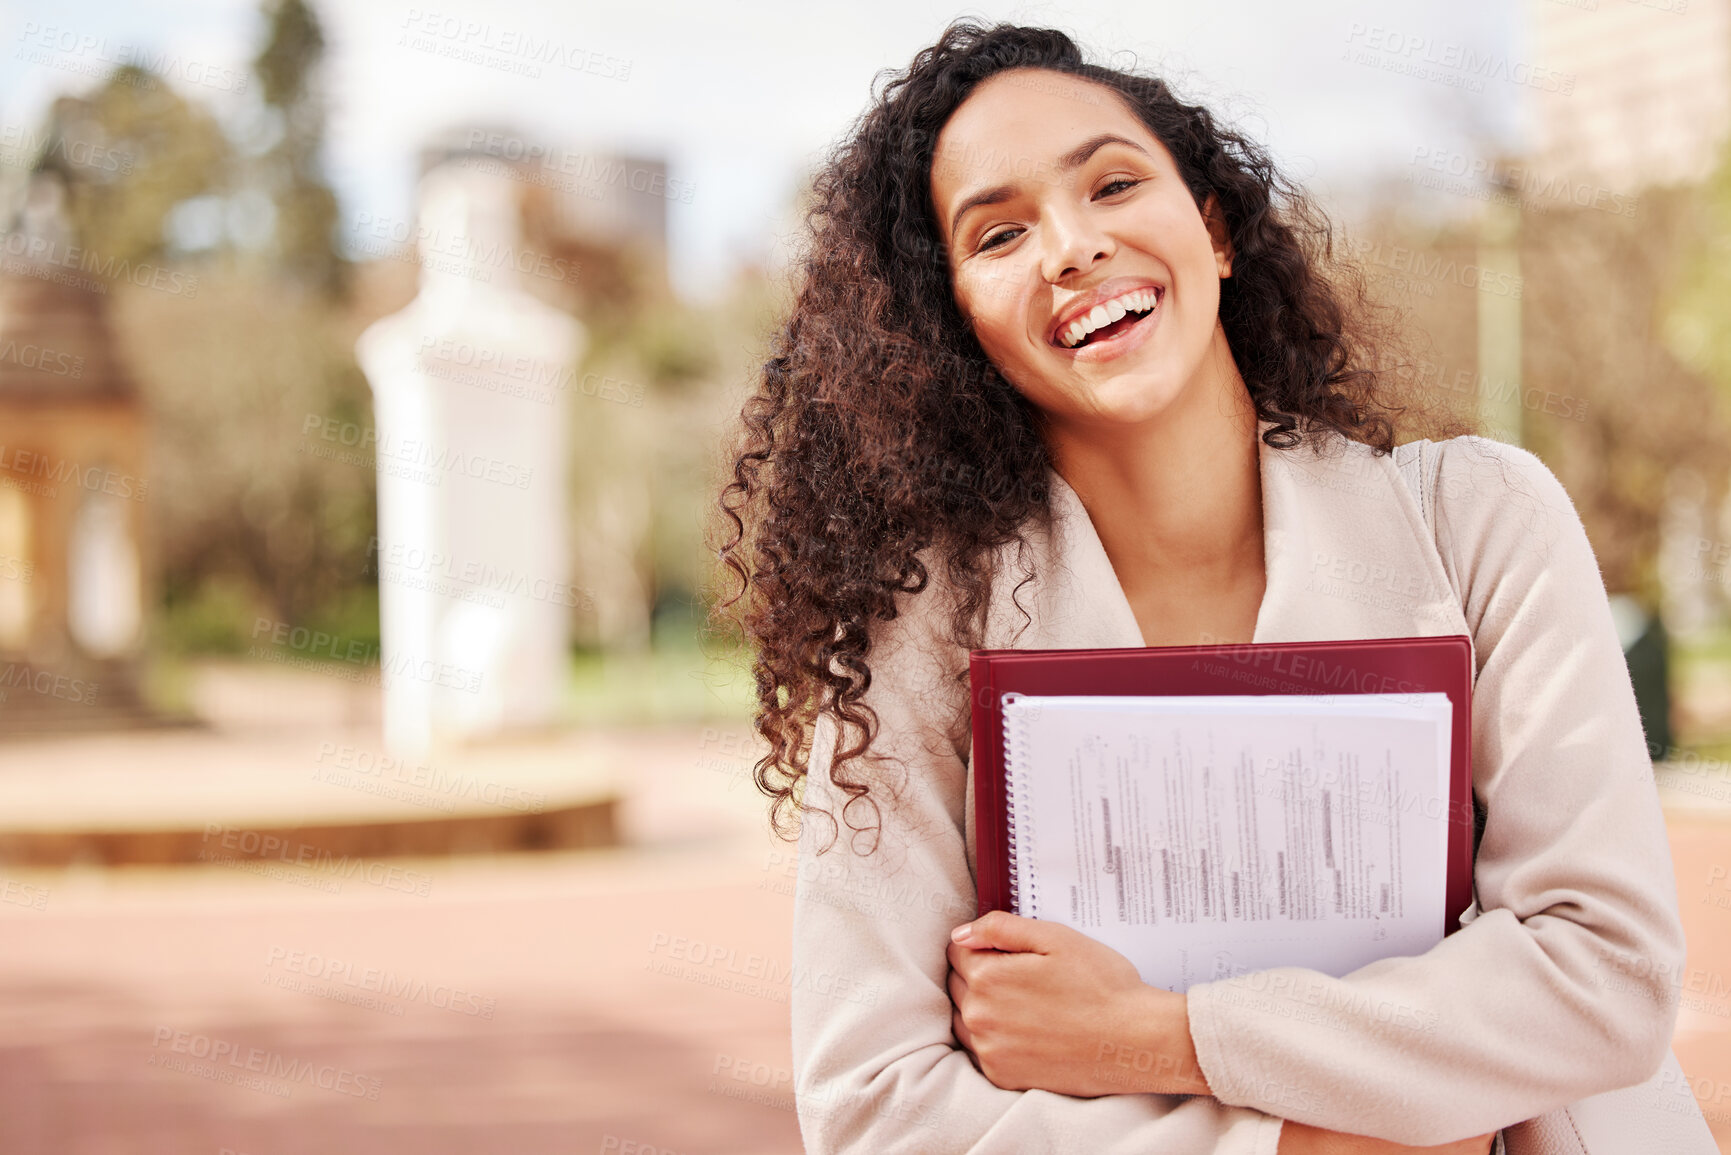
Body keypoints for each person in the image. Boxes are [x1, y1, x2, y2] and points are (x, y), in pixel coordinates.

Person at [713, 20, 1685, 1155]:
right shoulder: (917, 631)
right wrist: (1308, 1145)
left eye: (1114, 184)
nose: (1071, 247)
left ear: (1214, 229)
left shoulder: (1479, 523)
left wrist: (1155, 1035)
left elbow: (1604, 973)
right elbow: (873, 1107)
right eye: (1000, 234)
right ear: (954, 325)